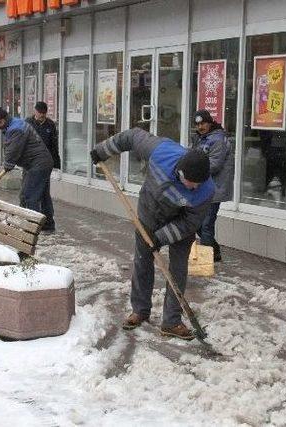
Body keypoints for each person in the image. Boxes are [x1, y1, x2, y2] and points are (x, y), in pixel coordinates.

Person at [90, 128, 215, 340]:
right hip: (149, 212)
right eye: (191, 183)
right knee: (142, 260)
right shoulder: (161, 152)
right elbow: (130, 137)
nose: (194, 188)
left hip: (181, 224)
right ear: (181, 172)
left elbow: (190, 222)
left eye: (198, 184)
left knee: (177, 269)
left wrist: (161, 238)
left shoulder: (205, 190)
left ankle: (172, 321)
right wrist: (103, 150)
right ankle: (140, 310)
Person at [0, 107, 56, 232]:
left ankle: (31, 229)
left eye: (0, 123)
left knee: (29, 195)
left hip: (38, 163)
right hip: (39, 162)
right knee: (42, 194)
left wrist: (8, 163)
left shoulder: (16, 129)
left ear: (5, 118)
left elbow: (13, 149)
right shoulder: (14, 124)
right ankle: (47, 225)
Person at [190, 109, 234, 262]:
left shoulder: (217, 140)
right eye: (197, 124)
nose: (200, 127)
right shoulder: (201, 138)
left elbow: (214, 165)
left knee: (207, 224)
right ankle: (214, 252)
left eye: (203, 123)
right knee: (198, 224)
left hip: (215, 189)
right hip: (202, 188)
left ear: (210, 123)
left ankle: (205, 261)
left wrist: (192, 171)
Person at [25, 101, 61, 169]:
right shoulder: (28, 123)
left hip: (45, 159)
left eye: (44, 113)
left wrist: (56, 163)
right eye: (40, 112)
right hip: (31, 159)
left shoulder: (50, 124)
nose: (42, 115)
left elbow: (54, 145)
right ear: (35, 111)